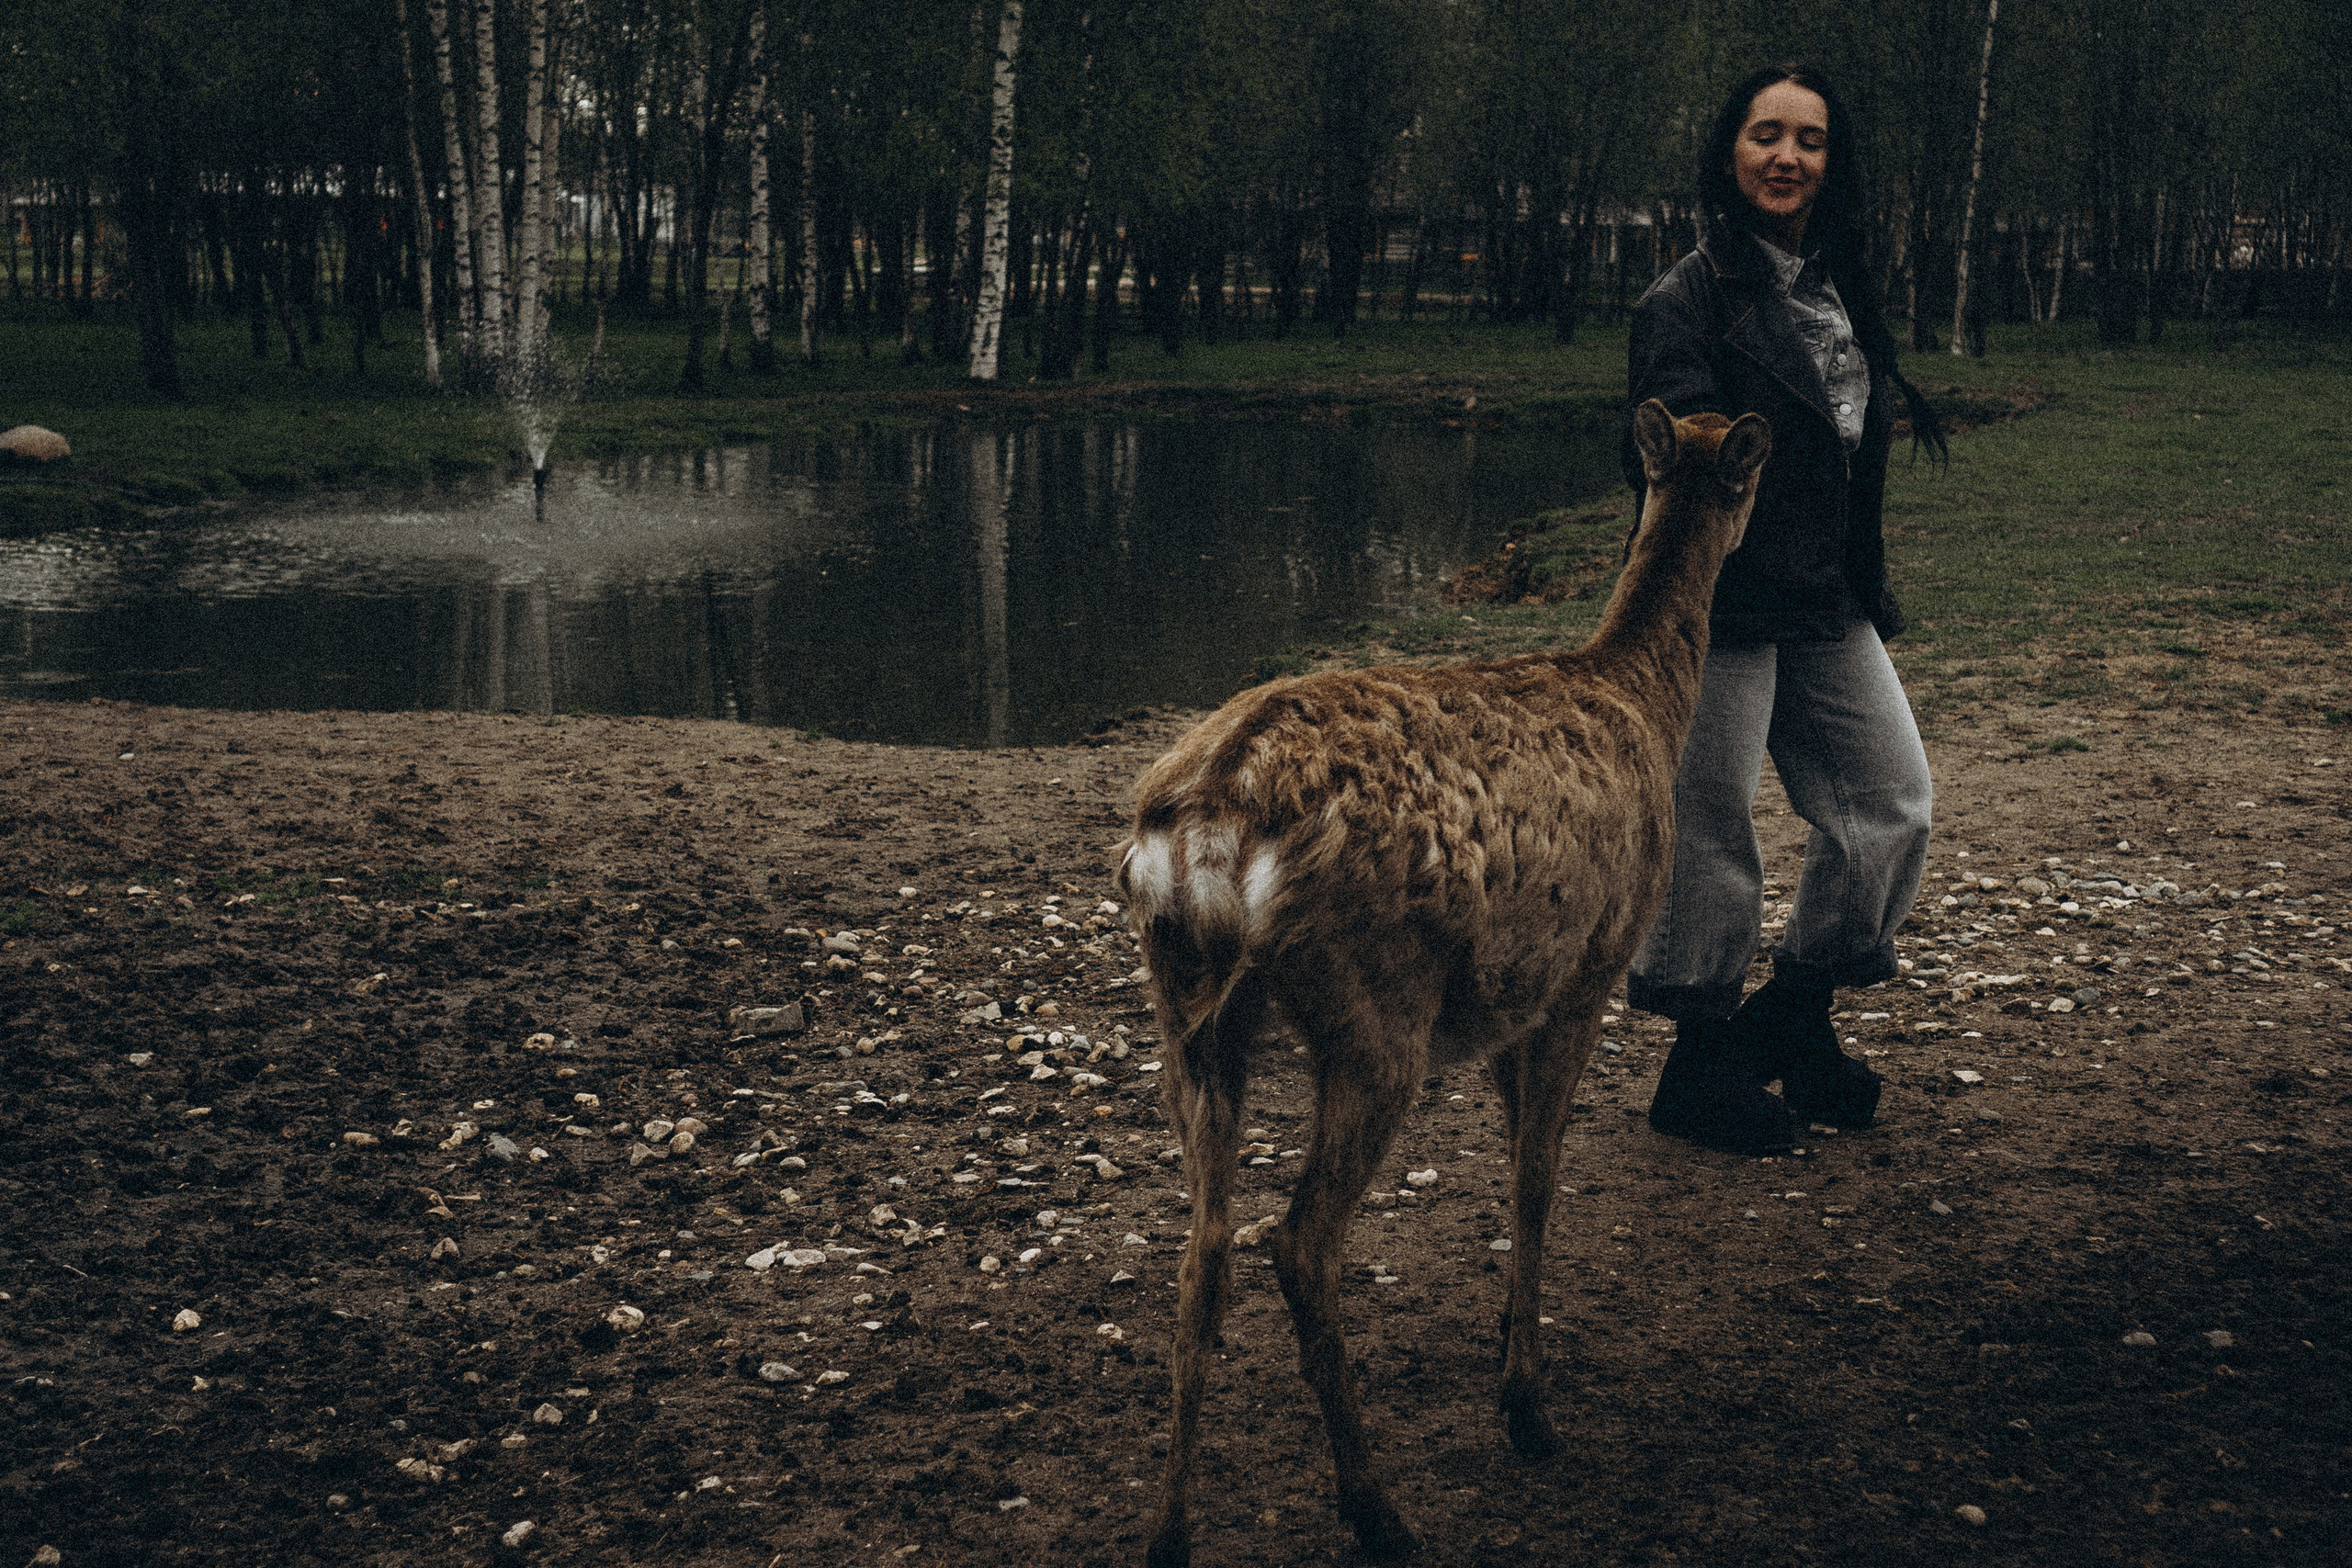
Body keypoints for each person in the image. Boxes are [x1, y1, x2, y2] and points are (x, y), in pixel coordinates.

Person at [1622, 62, 1949, 1156]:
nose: (1786, 157)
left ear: (1830, 165)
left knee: (1890, 804)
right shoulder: (1684, 302)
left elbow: (1849, 458)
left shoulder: (1836, 285)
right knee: (1710, 836)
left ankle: (1793, 1016)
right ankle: (1697, 1065)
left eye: (1808, 140)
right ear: (1730, 154)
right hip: (1716, 606)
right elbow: (1678, 473)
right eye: (1766, 135)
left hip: (1825, 600)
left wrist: (1861, 579)